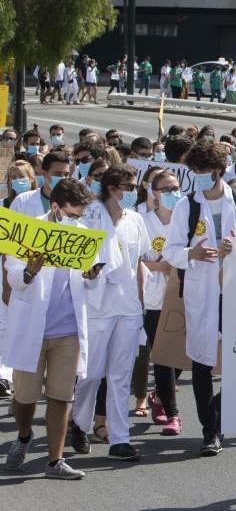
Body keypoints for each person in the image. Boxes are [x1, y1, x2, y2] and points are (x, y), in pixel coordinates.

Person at [3, 179, 113, 478]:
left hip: (68, 331)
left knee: (61, 395)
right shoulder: (29, 232)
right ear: (55, 207)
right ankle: (24, 435)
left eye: (80, 215)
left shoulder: (83, 237)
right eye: (72, 214)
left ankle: (56, 460)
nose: (77, 220)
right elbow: (12, 277)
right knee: (25, 398)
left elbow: (92, 284)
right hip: (32, 329)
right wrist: (29, 270)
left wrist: (91, 276)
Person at [162, 140, 236, 456]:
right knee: (203, 361)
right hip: (203, 292)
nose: (198, 177)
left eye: (204, 172)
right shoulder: (186, 206)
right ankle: (210, 430)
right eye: (195, 172)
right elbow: (170, 251)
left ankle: (219, 410)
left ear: (219, 170)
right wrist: (190, 253)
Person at [67, 164, 149, 463]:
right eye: (128, 187)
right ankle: (78, 420)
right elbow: (77, 259)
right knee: (90, 373)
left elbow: (138, 262)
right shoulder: (90, 217)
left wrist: (140, 303)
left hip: (127, 307)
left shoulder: (136, 220)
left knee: (120, 375)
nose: (134, 192)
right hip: (96, 305)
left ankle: (119, 439)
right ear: (113, 189)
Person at [140, 170, 184, 436]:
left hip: (185, 296)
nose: (172, 193)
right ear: (154, 193)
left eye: (176, 187)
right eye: (166, 189)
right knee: (164, 357)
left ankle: (158, 393)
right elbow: (131, 258)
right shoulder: (142, 221)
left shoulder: (190, 218)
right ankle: (172, 414)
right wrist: (159, 265)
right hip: (154, 299)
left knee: (185, 354)